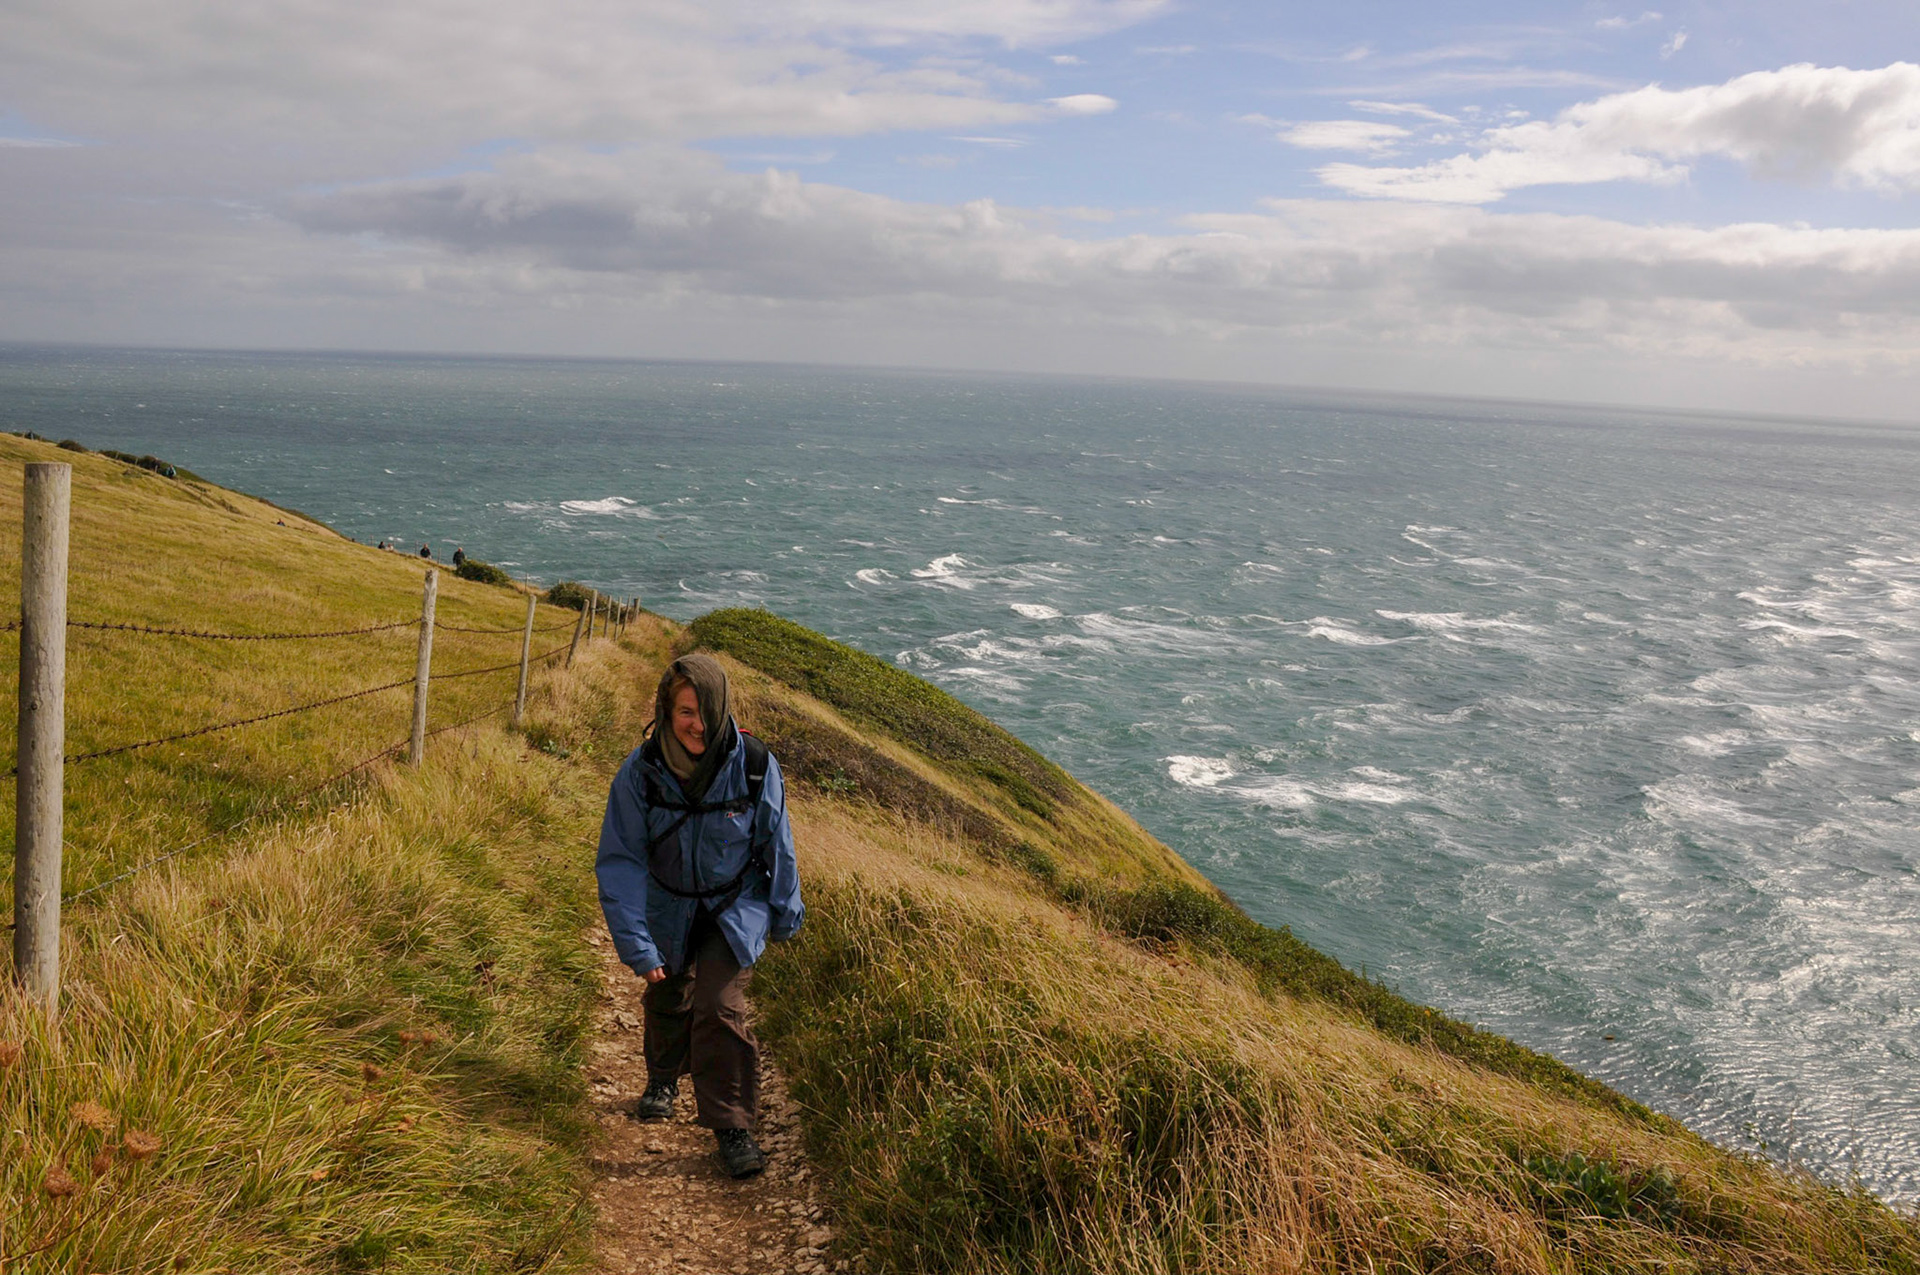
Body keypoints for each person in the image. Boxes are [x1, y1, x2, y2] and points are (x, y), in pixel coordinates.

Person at [596, 654, 803, 1178]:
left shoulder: (754, 764)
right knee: (668, 990)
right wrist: (637, 943)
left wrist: (785, 913)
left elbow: (777, 844)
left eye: (706, 711)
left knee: (718, 1005)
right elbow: (621, 861)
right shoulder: (639, 772)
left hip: (734, 905)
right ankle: (663, 1078)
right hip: (666, 901)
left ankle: (732, 1126)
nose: (699, 725)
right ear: (665, 712)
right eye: (686, 712)